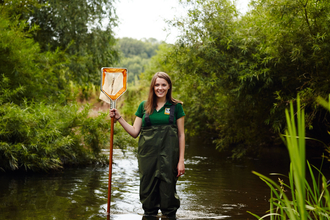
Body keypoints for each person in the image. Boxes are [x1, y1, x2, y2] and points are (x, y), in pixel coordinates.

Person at [109, 72, 185, 218]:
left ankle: (169, 215)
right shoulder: (144, 106)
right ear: (153, 87)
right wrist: (119, 118)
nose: (160, 88)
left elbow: (181, 135)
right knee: (148, 195)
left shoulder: (177, 107)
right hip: (147, 157)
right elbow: (134, 131)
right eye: (157, 85)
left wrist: (181, 161)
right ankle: (149, 214)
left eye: (163, 84)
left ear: (169, 86)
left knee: (168, 194)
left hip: (169, 157)